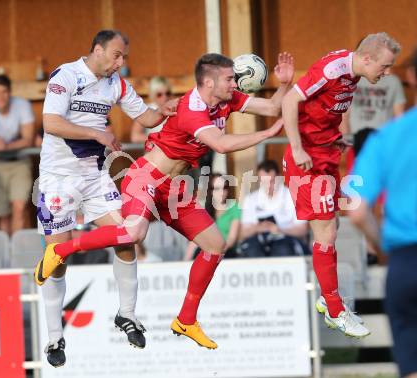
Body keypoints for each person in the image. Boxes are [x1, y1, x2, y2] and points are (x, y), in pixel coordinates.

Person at [34, 51, 295, 349]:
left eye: (235, 78)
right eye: (230, 78)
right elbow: (220, 145)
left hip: (176, 188)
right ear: (209, 82)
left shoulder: (227, 99)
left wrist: (285, 84)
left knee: (215, 245)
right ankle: (61, 251)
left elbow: (274, 105)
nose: (235, 83)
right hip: (146, 177)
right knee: (133, 233)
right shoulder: (191, 109)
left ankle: (186, 320)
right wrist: (270, 133)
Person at [35, 30, 177, 367]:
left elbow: (147, 118)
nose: (120, 63)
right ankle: (55, 337)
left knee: (127, 238)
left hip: (95, 177)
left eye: (123, 57)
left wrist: (169, 109)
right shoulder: (65, 75)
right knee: (57, 259)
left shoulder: (118, 84)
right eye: (116, 55)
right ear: (97, 50)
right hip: (58, 179)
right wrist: (95, 133)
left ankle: (126, 315)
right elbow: (51, 122)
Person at [281, 32, 401, 338]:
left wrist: (334, 136)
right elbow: (290, 100)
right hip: (306, 159)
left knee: (330, 226)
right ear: (368, 58)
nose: (386, 73)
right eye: (385, 66)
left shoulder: (354, 73)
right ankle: (334, 309)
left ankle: (329, 298)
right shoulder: (332, 69)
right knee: (327, 231)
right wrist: (296, 147)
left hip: (325, 154)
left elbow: (325, 108)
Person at [346, 105, 417, 378]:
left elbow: (358, 210)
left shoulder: (389, 136)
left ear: (411, 77)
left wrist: (382, 246)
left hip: (405, 260)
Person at [0, 74, 35, 235]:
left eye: (4, 92)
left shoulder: (22, 105)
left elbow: (29, 139)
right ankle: (9, 255)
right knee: (3, 214)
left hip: (20, 162)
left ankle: (16, 251)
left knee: (19, 208)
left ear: (10, 92)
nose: (0, 96)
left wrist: (5, 146)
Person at [240, 160, 309, 258]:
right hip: (258, 241)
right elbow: (244, 232)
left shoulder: (294, 196)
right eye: (263, 182)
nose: (268, 186)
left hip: (286, 240)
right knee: (252, 250)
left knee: (282, 249)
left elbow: (302, 230)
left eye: (271, 181)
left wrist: (279, 230)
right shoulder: (250, 199)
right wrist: (259, 228)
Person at [184, 173, 242, 260]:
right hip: (207, 251)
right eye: (217, 188)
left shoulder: (234, 208)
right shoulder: (204, 210)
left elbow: (231, 238)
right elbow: (196, 240)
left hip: (226, 252)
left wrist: (217, 251)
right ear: (210, 191)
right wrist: (184, 263)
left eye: (225, 187)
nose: (222, 192)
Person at [130, 76, 172, 143]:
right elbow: (135, 137)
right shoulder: (145, 110)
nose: (165, 97)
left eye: (167, 93)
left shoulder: (176, 110)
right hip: (153, 151)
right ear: (152, 95)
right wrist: (159, 140)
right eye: (159, 94)